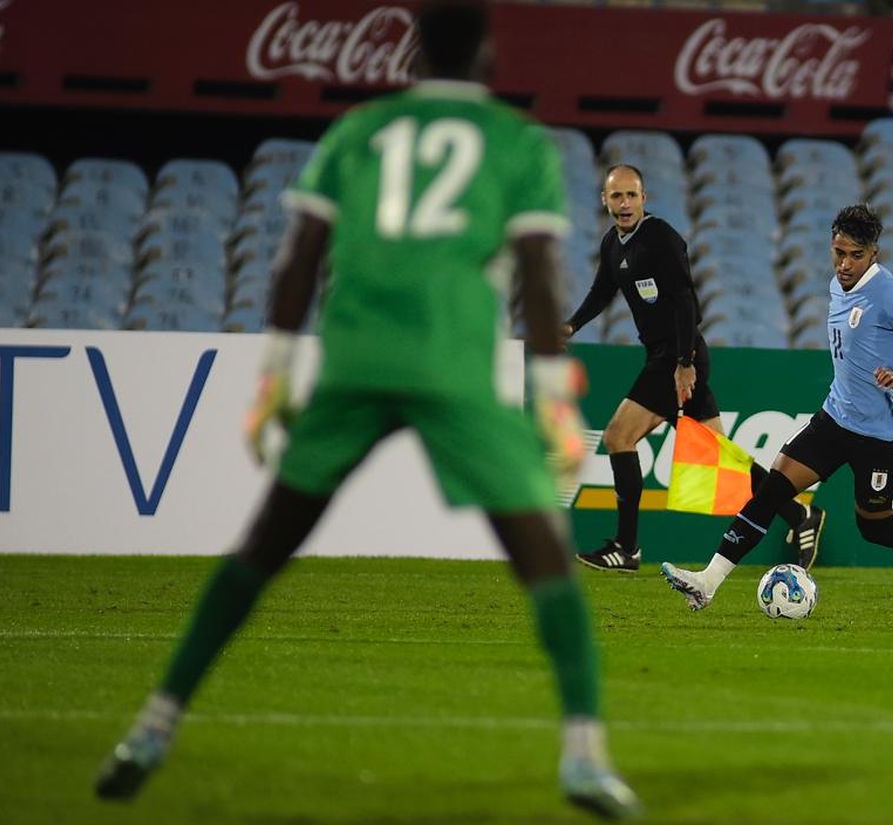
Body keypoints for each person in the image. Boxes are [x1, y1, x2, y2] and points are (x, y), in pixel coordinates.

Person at [94, 3, 641, 819]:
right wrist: (554, 399)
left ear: (413, 58)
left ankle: (152, 726)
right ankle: (585, 756)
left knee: (263, 546)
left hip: (353, 360)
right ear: (488, 57)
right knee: (545, 559)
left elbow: (296, 260)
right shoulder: (517, 141)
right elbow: (539, 278)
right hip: (452, 364)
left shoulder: (358, 130)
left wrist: (274, 372)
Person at [660, 204, 893, 615]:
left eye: (855, 255)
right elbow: (878, 344)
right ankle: (707, 582)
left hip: (883, 436)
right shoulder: (836, 286)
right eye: (839, 252)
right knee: (770, 490)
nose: (844, 264)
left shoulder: (890, 292)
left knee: (875, 526)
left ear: (873, 254)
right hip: (834, 419)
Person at [563, 164, 825, 573]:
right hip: (667, 359)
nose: (625, 203)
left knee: (618, 436)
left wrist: (684, 364)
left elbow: (687, 301)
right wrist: (571, 325)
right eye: (617, 196)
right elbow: (602, 290)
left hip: (675, 359)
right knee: (720, 456)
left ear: (644, 198)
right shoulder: (613, 246)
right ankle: (797, 514)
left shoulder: (661, 239)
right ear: (605, 200)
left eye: (632, 195)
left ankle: (627, 548)